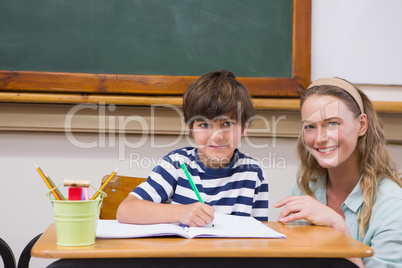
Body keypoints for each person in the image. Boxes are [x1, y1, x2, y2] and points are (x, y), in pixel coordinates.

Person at [274, 77, 402, 268]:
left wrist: (339, 228)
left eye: (332, 123)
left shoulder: (392, 204)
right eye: (310, 126)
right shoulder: (306, 186)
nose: (320, 138)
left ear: (361, 125)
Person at [117, 70, 269, 227]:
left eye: (226, 124)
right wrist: (180, 213)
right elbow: (125, 210)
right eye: (204, 125)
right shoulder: (176, 164)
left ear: (244, 128)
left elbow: (259, 233)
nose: (216, 136)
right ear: (190, 129)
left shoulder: (254, 173)